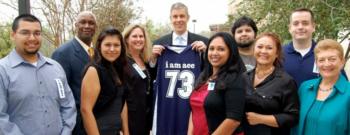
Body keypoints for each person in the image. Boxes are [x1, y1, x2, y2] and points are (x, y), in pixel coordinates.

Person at [0, 14, 76, 135]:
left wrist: (66, 131)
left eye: (37, 33)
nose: (32, 38)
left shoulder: (55, 68)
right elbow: (1, 119)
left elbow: (67, 104)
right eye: (25, 33)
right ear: (13, 35)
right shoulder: (3, 70)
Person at [150, 2, 208, 135]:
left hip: (193, 103)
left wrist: (206, 53)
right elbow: (152, 74)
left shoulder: (203, 42)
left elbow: (210, 71)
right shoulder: (158, 43)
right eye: (175, 17)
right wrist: (152, 59)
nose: (178, 20)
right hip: (167, 104)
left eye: (182, 16)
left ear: (188, 17)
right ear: (170, 19)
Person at [188, 32, 246, 135]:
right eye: (211, 48)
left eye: (221, 49)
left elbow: (233, 120)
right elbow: (194, 111)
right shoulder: (203, 77)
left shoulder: (236, 79)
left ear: (231, 52)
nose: (214, 53)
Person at [243, 32, 299, 135]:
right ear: (254, 50)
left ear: (277, 53)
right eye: (259, 47)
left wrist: (261, 119)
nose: (263, 51)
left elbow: (293, 117)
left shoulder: (286, 81)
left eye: (269, 48)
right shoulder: (243, 78)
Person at [52, 11, 97, 134]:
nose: (87, 26)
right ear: (76, 25)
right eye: (83, 22)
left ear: (95, 28)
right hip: (77, 124)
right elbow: (59, 93)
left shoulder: (99, 53)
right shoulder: (62, 53)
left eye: (91, 23)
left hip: (100, 121)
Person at [292, 39, 350, 135]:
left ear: (342, 62)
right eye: (321, 60)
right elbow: (295, 125)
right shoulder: (305, 88)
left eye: (332, 59)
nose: (326, 64)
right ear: (316, 63)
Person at [80, 27, 129, 134]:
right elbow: (85, 110)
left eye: (116, 45)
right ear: (99, 46)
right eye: (107, 45)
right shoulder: (93, 70)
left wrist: (126, 132)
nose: (112, 49)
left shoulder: (118, 68)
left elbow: (122, 101)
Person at [121, 24, 153, 135]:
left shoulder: (145, 60)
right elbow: (121, 99)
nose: (138, 39)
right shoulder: (122, 62)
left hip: (144, 119)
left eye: (141, 36)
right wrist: (125, 130)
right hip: (130, 120)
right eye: (134, 36)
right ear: (126, 39)